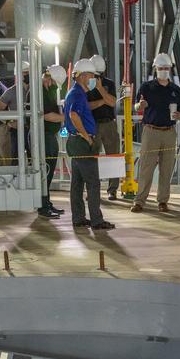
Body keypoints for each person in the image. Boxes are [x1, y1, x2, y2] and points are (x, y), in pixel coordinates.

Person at [64, 58, 115, 231]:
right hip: (82, 142)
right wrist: (87, 137)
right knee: (93, 183)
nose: (94, 78)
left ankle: (78, 218)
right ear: (83, 75)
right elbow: (74, 115)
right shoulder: (78, 94)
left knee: (77, 184)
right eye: (92, 75)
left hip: (75, 142)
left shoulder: (75, 93)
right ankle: (96, 220)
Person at [131, 52, 180, 213]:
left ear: (170, 69)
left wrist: (179, 115)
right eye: (161, 68)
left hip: (169, 131)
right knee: (146, 168)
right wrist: (140, 106)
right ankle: (140, 200)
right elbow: (136, 106)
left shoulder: (176, 90)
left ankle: (162, 201)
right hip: (151, 131)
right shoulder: (146, 87)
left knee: (166, 169)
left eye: (166, 68)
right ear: (155, 69)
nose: (163, 70)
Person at [87, 54, 121, 200]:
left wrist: (101, 89)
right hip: (92, 124)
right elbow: (87, 106)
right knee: (91, 158)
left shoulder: (109, 84)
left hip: (108, 123)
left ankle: (112, 190)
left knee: (113, 156)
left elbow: (113, 102)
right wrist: (103, 100)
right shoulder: (86, 85)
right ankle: (92, 190)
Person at [40, 64, 66, 219]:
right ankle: (43, 206)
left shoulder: (47, 91)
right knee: (45, 172)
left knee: (47, 172)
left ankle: (46, 202)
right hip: (44, 136)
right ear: (49, 79)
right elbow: (46, 115)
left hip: (49, 135)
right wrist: (67, 118)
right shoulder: (40, 93)